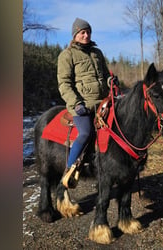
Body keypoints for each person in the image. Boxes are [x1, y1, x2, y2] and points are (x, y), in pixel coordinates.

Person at [57, 17, 114, 188]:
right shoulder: (67, 55)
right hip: (82, 105)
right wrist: (76, 104)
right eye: (82, 32)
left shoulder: (97, 52)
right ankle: (69, 169)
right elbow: (64, 83)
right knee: (86, 133)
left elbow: (105, 75)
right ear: (75, 35)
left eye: (88, 32)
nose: (86, 35)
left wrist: (111, 81)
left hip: (103, 101)